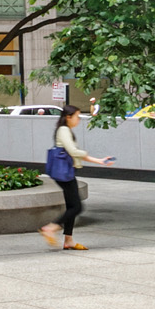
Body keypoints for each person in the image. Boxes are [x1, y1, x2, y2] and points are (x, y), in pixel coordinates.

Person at [39, 104, 114, 250]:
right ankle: (50, 228)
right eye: (77, 116)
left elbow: (73, 152)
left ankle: (68, 240)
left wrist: (99, 160)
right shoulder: (64, 130)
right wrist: (96, 159)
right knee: (77, 207)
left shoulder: (65, 130)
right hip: (64, 174)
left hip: (66, 172)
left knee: (71, 206)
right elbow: (73, 151)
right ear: (68, 117)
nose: (78, 119)